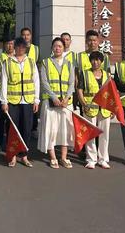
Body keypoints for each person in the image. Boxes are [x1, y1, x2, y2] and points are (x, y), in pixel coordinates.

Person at [0, 37, 40, 167]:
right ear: (15, 48)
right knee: (12, 129)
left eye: (23, 47)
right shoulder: (8, 62)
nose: (20, 49)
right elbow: (4, 82)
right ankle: (12, 155)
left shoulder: (31, 62)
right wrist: (4, 101)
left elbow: (36, 81)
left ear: (25, 48)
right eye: (18, 47)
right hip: (13, 101)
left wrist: (36, 100)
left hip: (27, 100)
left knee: (26, 129)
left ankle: (24, 155)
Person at [38, 37, 74, 168]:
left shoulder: (69, 64)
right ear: (52, 48)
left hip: (65, 103)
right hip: (51, 102)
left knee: (65, 130)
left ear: (64, 48)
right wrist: (54, 97)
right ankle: (52, 157)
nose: (57, 48)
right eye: (55, 46)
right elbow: (44, 82)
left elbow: (71, 83)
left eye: (60, 46)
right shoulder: (46, 63)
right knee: (51, 129)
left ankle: (64, 157)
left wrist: (67, 98)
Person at [77, 51, 112, 169]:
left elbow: (112, 92)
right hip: (90, 108)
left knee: (104, 134)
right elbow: (80, 89)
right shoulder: (85, 74)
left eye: (98, 60)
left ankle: (103, 159)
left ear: (102, 62)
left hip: (105, 108)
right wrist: (83, 103)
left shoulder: (107, 75)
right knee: (90, 133)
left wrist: (113, 108)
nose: (95, 62)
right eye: (93, 60)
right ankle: (91, 158)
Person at [0, 36, 15, 151]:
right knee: (1, 118)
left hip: (14, 93)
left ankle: (9, 142)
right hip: (1, 91)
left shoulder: (18, 58)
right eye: (8, 44)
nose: (10, 46)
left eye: (12, 44)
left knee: (11, 119)